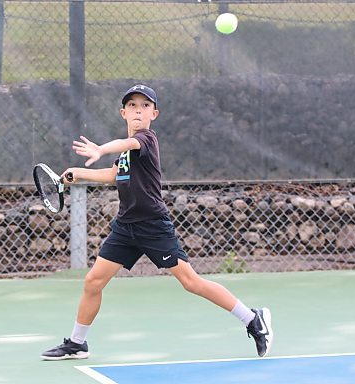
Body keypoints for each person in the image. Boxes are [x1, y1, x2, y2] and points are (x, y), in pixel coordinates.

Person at [41, 84, 273, 361]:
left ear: (155, 114)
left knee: (191, 282)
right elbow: (115, 175)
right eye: (132, 106)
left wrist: (100, 148)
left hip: (152, 225)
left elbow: (126, 143)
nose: (138, 110)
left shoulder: (146, 140)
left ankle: (252, 318)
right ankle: (77, 343)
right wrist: (78, 174)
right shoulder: (125, 153)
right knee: (93, 281)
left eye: (145, 106)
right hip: (125, 227)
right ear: (123, 112)